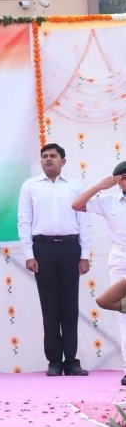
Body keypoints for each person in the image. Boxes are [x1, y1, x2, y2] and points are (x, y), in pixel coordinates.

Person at [18, 142, 92, 376]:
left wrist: (85, 255)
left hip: (71, 248)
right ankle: (54, 361)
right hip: (43, 248)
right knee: (49, 307)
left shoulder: (76, 186)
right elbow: (24, 221)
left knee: (70, 306)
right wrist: (29, 254)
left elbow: (85, 222)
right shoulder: (30, 186)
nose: (48, 159)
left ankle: (71, 360)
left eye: (53, 156)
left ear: (63, 160)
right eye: (44, 156)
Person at [72, 159, 126, 385]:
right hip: (122, 259)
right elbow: (77, 205)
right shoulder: (109, 201)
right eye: (122, 178)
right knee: (124, 315)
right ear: (118, 181)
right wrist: (98, 187)